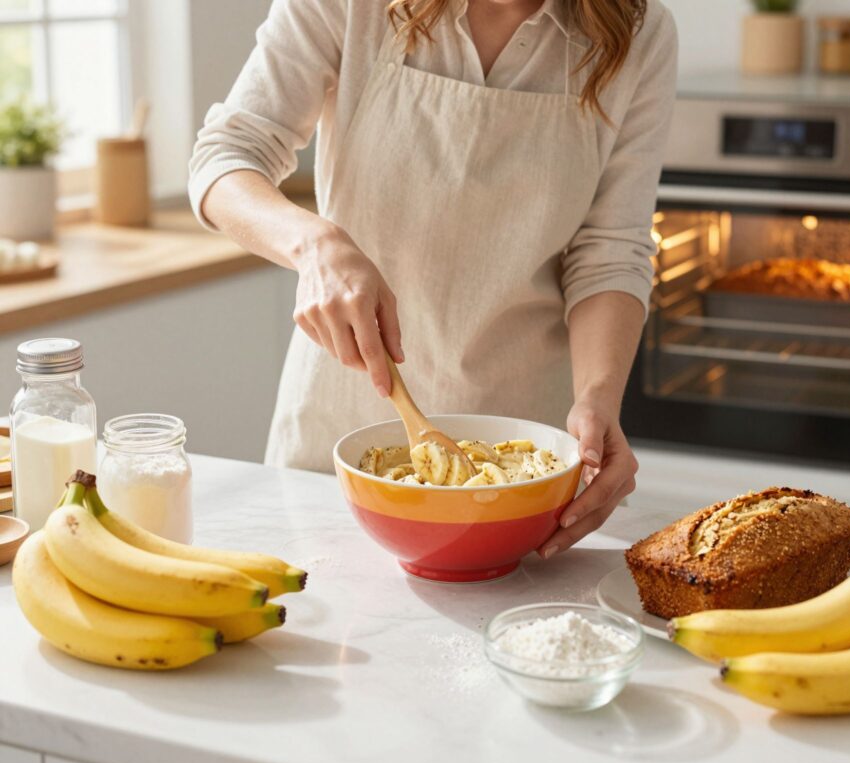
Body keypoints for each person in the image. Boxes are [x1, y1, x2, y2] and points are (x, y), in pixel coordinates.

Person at [189, 0, 677, 558]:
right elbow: (225, 158)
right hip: (335, 440)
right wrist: (314, 245)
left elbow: (609, 249)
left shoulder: (638, 33)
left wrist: (598, 397)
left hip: (528, 462)